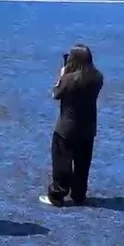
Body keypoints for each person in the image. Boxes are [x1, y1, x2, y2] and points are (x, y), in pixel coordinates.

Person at [41, 45, 104, 207]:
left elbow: (56, 94)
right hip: (88, 128)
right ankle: (79, 194)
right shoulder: (97, 77)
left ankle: (57, 195)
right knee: (83, 164)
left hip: (67, 128)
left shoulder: (69, 79)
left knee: (62, 163)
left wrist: (62, 76)